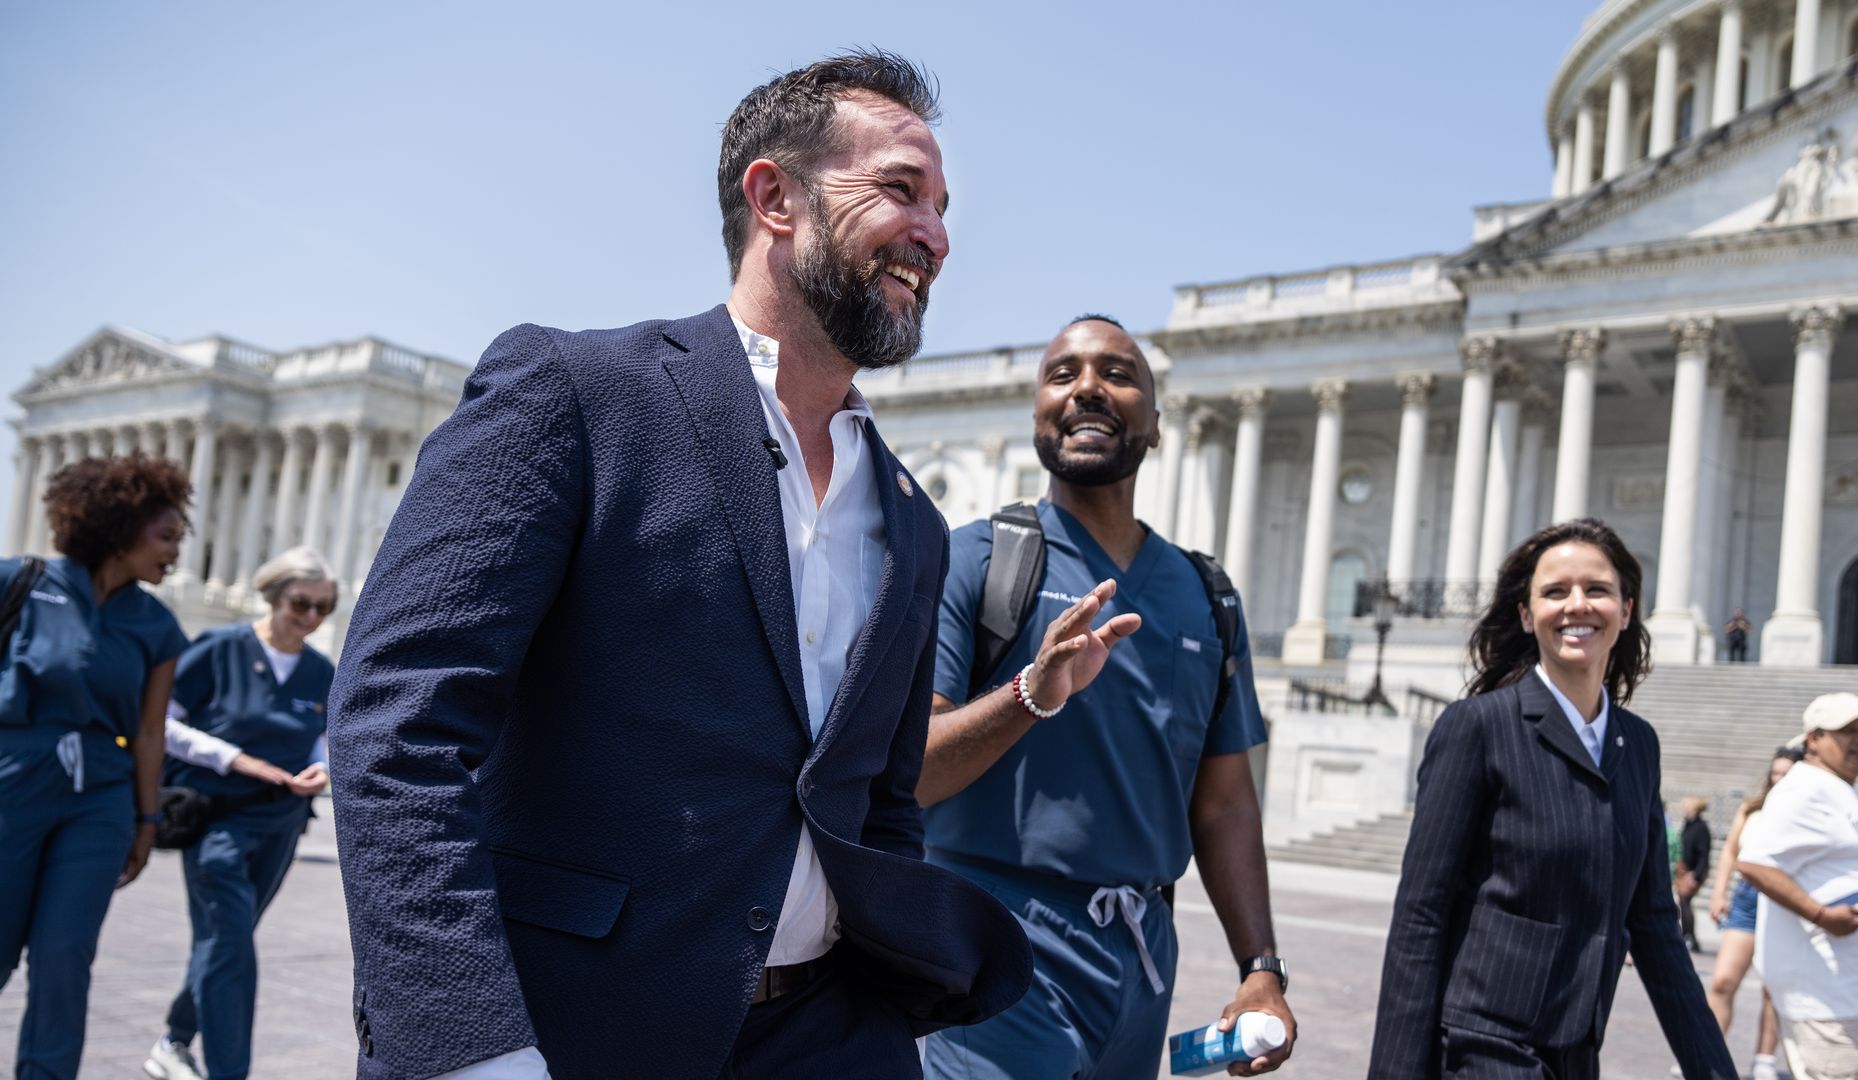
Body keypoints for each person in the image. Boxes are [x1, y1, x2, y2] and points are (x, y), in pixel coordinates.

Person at [327, 50, 1029, 1080]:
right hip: (570, 1034)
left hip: (828, 1043)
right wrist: (474, 1053)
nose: (936, 233)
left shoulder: (912, 518)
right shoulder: (575, 392)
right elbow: (396, 727)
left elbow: (876, 801)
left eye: (945, 205)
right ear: (774, 197)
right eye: (900, 190)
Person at [918, 315, 1292, 1079]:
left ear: (1155, 425)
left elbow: (1223, 802)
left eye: (1118, 374)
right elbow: (913, 769)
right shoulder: (974, 560)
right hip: (993, 945)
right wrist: (1031, 692)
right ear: (1037, 419)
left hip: (1140, 960)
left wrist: (1261, 967)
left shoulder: (1207, 596)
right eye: (1062, 375)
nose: (1088, 387)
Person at [1368, 518, 1735, 1079]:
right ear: (1525, 613)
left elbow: (1656, 925)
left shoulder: (1638, 745)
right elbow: (1421, 915)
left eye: (1597, 590)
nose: (1577, 605)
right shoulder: (1479, 728)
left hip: (1578, 1054)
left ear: (1627, 609)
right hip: (1480, 1047)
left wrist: (1714, 1071)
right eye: (1555, 592)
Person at [0, 453, 191, 1080]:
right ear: (118, 527)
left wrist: (144, 820)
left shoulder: (157, 624)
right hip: (11, 778)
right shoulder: (18, 581)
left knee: (64, 955)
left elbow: (147, 731)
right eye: (166, 537)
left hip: (100, 798)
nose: (175, 553)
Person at [144, 546, 338, 1080]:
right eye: (301, 603)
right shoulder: (220, 647)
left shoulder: (321, 670)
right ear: (274, 597)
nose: (311, 617)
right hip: (215, 819)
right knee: (230, 943)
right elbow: (159, 722)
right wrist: (237, 760)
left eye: (324, 607)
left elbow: (323, 741)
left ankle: (173, 1040)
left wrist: (322, 768)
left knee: (227, 941)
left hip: (282, 824)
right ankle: (230, 1071)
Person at [1738, 694, 1858, 1080]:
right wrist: (1820, 914)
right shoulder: (1804, 788)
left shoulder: (1834, 785)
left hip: (1842, 987)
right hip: (1822, 992)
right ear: (1813, 738)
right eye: (1847, 731)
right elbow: (1754, 861)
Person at [1705, 746, 1802, 1080]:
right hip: (1747, 899)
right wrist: (1719, 892)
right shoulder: (1752, 809)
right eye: (1776, 772)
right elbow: (1731, 851)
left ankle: (1763, 1060)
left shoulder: (1805, 813)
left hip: (1784, 900)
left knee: (1772, 986)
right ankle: (1706, 1052)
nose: (1780, 779)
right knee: (1722, 980)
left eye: (1788, 773)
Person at [1676, 795, 1712, 951]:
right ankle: (1689, 936)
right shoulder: (1688, 825)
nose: (1684, 811)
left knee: (1685, 902)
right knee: (1684, 903)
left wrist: (1696, 875)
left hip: (1694, 871)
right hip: (1685, 870)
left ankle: (1688, 936)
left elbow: (1704, 854)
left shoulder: (1701, 828)